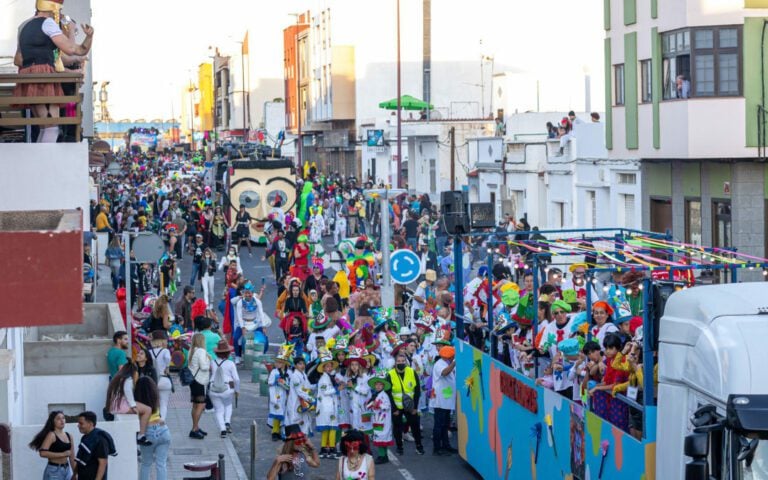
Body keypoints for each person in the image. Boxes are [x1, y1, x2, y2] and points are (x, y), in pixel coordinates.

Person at [14, 0, 95, 142]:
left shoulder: (25, 25)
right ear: (54, 9)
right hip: (42, 74)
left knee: (45, 125)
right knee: (51, 126)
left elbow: (18, 59)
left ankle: (41, 159)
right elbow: (73, 50)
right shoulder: (48, 23)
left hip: (29, 75)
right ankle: (43, 162)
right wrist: (88, 36)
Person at [105, 362, 152, 445]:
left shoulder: (117, 378)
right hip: (122, 406)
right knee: (148, 410)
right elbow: (128, 392)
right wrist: (133, 406)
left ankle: (139, 432)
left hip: (114, 406)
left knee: (141, 408)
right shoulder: (128, 379)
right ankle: (141, 435)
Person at [388, 351, 424, 455]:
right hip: (397, 406)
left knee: (415, 426)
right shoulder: (390, 374)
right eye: (398, 361)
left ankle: (419, 446)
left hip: (410, 406)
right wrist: (394, 408)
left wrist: (415, 407)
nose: (401, 363)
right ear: (395, 363)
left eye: (403, 361)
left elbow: (417, 390)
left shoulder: (412, 372)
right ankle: (399, 447)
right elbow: (389, 392)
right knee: (397, 428)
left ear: (406, 362)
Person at [135, 377, 171, 480]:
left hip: (148, 433)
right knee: (161, 464)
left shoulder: (137, 402)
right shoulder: (155, 397)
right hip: (163, 430)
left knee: (146, 463)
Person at [29, 410, 75, 480]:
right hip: (54, 471)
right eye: (58, 418)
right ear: (53, 421)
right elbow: (42, 453)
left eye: (63, 418)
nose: (62, 420)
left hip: (67, 470)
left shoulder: (69, 436)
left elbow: (72, 456)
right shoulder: (51, 435)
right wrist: (63, 454)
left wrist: (75, 473)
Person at [209, 340, 240, 438]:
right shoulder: (230, 363)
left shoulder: (212, 363)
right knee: (228, 405)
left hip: (213, 388)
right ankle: (227, 422)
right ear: (228, 352)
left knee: (218, 410)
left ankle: (222, 430)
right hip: (227, 388)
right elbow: (236, 379)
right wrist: (237, 390)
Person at [430, 346, 457, 456]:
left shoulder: (447, 363)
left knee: (446, 425)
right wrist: (454, 363)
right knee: (439, 424)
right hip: (440, 400)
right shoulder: (440, 364)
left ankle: (446, 445)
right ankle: (437, 448)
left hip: (447, 399)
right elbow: (445, 373)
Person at [73, 411, 115, 480]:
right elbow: (81, 459)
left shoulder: (100, 440)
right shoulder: (85, 438)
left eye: (81, 423)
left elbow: (103, 463)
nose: (78, 425)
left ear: (90, 424)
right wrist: (75, 474)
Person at [315, 349, 340, 459]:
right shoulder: (323, 379)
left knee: (328, 427)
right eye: (327, 367)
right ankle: (331, 448)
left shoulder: (330, 377)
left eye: (330, 366)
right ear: (323, 368)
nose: (329, 368)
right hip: (326, 406)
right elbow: (325, 392)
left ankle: (325, 449)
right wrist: (337, 389)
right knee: (331, 427)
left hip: (330, 406)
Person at [367, 369, 394, 465]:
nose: (378, 386)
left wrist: (379, 405)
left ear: (383, 386)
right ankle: (383, 455)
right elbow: (369, 405)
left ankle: (382, 456)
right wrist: (370, 404)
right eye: (376, 384)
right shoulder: (375, 395)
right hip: (377, 420)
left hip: (383, 420)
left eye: (380, 384)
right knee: (380, 437)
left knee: (381, 437)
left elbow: (387, 407)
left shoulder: (384, 396)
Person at [188, 332, 211, 439]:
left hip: (193, 380)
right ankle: (194, 429)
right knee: (200, 405)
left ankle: (196, 427)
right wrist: (209, 361)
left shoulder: (192, 350)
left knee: (195, 405)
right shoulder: (201, 351)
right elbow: (204, 366)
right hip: (200, 381)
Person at [269, 344, 294, 441]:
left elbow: (291, 382)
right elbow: (269, 382)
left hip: (286, 394)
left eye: (280, 362)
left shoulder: (289, 372)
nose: (277, 364)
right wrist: (276, 381)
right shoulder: (274, 372)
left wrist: (287, 385)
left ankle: (283, 431)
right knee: (277, 412)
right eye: (277, 362)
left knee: (285, 413)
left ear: (284, 363)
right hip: (277, 393)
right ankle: (275, 431)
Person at [285, 355, 314, 436]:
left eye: (303, 364)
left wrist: (317, 386)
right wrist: (311, 399)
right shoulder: (294, 376)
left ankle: (303, 443)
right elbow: (299, 391)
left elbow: (308, 387)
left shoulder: (304, 375)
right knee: (296, 425)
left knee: (305, 424)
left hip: (303, 404)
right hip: (295, 404)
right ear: (295, 365)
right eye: (300, 364)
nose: (302, 366)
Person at [148, 330, 173, 420]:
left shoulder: (150, 352)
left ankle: (154, 420)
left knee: (154, 403)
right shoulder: (165, 351)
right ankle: (162, 422)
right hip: (164, 379)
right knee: (164, 404)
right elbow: (167, 358)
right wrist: (167, 367)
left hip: (152, 381)